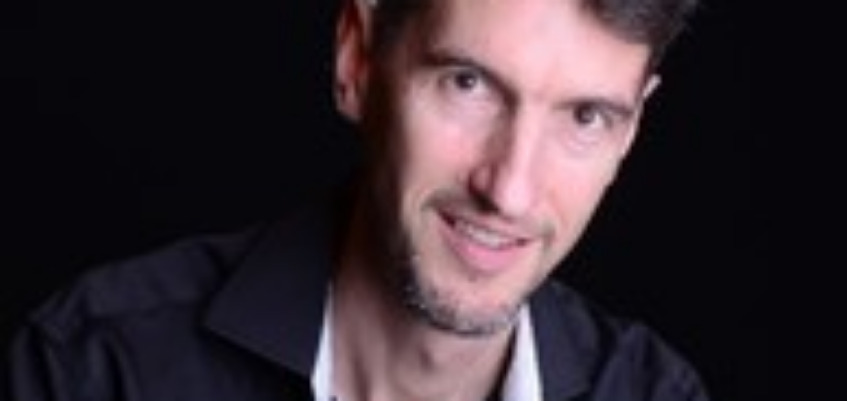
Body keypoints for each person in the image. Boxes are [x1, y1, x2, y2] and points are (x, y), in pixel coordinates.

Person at [6, 0, 710, 400]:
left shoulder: (652, 395)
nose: (509, 189)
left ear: (631, 132)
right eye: (467, 83)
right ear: (357, 59)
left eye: (585, 117)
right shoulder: (98, 369)